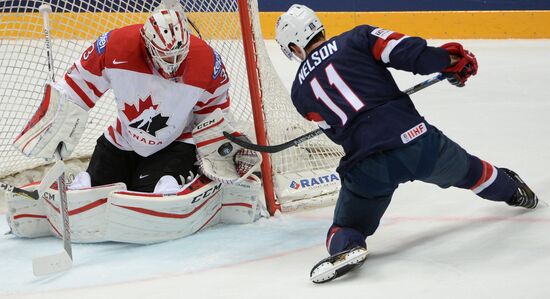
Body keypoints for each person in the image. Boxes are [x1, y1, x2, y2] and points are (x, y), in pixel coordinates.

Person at [275, 4, 539, 277]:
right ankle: (513, 191)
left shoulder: (299, 92)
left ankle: (350, 246)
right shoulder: (358, 38)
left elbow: (334, 132)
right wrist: (450, 61)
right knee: (472, 172)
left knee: (344, 227)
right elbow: (411, 54)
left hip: (368, 166)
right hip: (417, 143)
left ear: (294, 47)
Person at [7, 8, 264, 244]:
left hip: (176, 142)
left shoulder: (207, 61)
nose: (173, 64)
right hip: (122, 138)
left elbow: (213, 114)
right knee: (90, 188)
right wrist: (58, 119)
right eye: (165, 56)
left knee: (155, 190)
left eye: (178, 55)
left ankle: (176, 182)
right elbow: (76, 88)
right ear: (147, 44)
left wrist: (220, 148)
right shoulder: (116, 46)